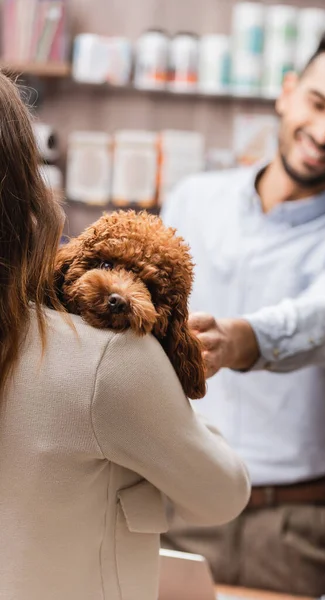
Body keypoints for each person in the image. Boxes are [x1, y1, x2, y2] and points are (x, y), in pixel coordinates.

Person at [161, 31, 325, 597]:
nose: (323, 134)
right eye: (318, 105)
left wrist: (242, 340)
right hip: (182, 506)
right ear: (287, 93)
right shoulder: (195, 200)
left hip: (299, 525)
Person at [0, 72, 250, 600]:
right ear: (28, 191)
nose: (118, 295)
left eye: (148, 287)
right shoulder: (112, 362)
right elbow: (221, 494)